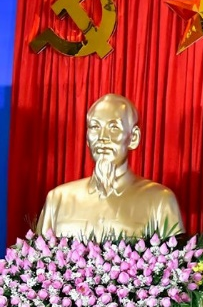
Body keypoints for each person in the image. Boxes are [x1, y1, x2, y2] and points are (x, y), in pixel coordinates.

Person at [37, 94, 183, 237]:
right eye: (95, 127)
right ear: (87, 138)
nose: (102, 137)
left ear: (133, 138)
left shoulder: (159, 201)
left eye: (113, 128)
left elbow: (175, 251)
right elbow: (38, 251)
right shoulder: (58, 199)